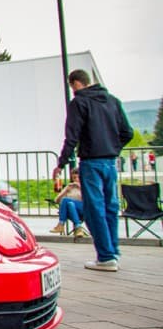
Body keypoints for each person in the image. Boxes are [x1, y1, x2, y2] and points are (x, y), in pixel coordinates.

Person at [52, 69, 133, 272]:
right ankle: (113, 252)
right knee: (110, 207)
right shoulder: (112, 101)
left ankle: (105, 256)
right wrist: (113, 147)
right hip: (110, 161)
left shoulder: (79, 103)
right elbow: (127, 132)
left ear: (75, 84)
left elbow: (72, 136)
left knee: (94, 208)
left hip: (90, 161)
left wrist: (61, 163)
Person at [49, 169, 88, 237]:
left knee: (66, 200)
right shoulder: (70, 187)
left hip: (84, 209)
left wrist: (80, 187)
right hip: (71, 212)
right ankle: (78, 228)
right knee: (70, 204)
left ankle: (61, 224)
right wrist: (65, 191)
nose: (76, 180)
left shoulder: (85, 186)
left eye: (78, 177)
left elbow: (88, 199)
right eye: (74, 178)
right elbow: (56, 201)